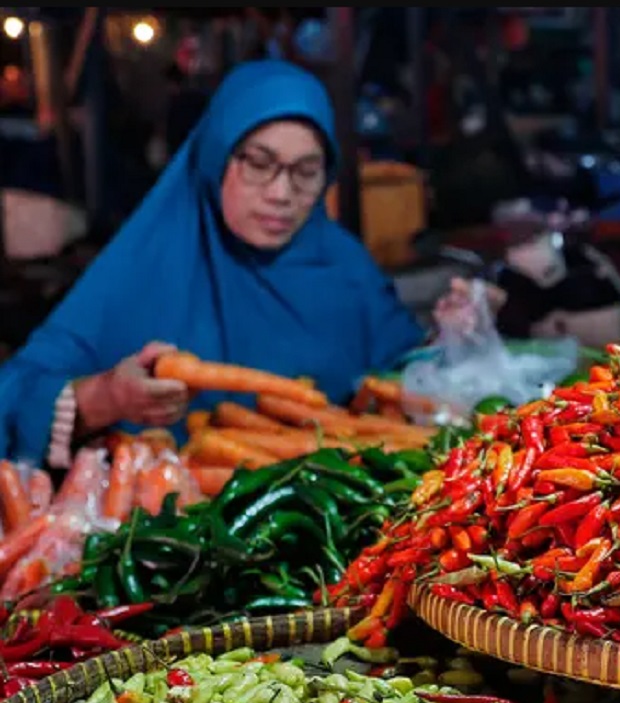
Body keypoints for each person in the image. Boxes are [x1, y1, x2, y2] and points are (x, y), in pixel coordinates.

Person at [0, 60, 497, 465]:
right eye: (259, 164)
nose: (282, 194)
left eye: (306, 172)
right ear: (217, 160)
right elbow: (15, 394)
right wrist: (104, 397)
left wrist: (454, 336)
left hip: (328, 535)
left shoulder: (343, 266)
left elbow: (399, 379)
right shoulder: (140, 268)